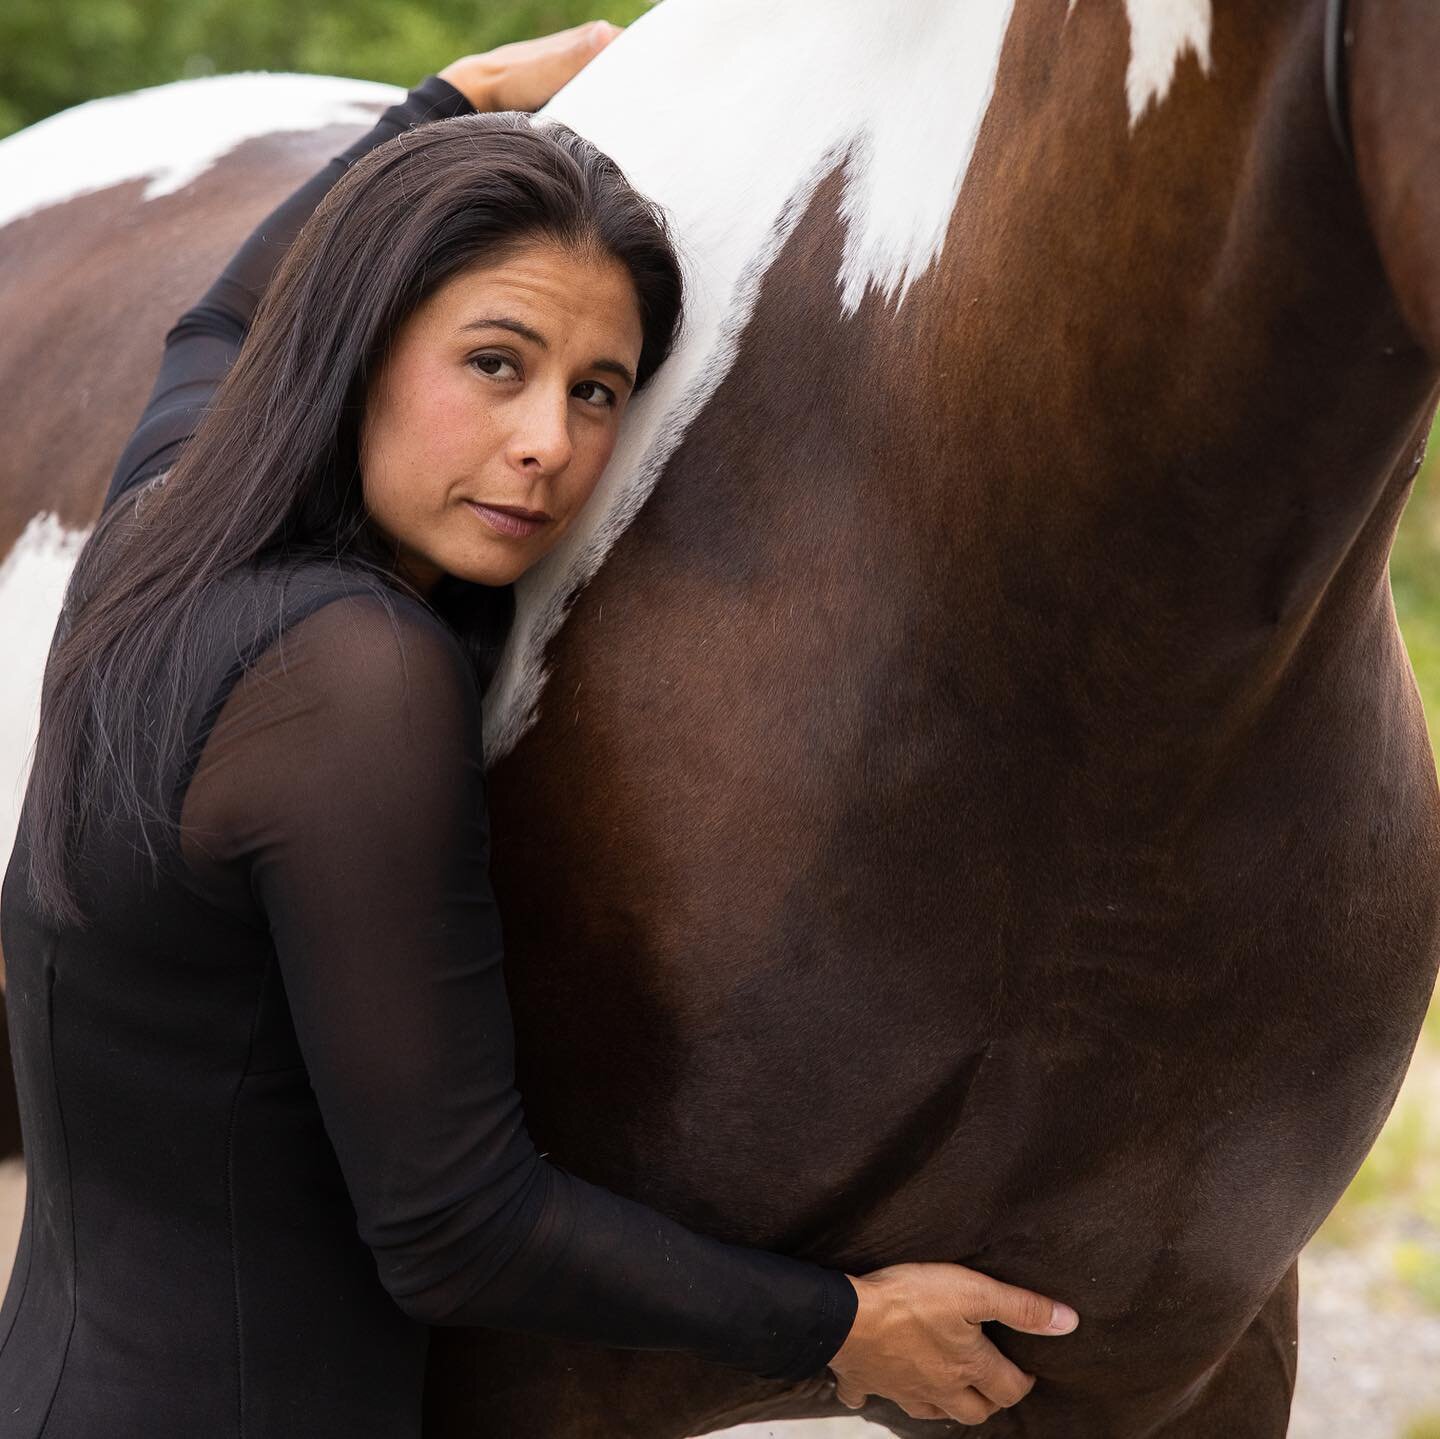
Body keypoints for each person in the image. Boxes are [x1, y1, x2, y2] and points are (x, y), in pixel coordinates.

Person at [0, 20, 1079, 1437]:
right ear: (359, 345)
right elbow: (452, 1221)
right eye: (495, 365)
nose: (548, 447)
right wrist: (840, 1326)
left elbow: (219, 317)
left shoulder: (160, 532)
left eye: (598, 391)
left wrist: (449, 106)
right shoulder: (350, 679)